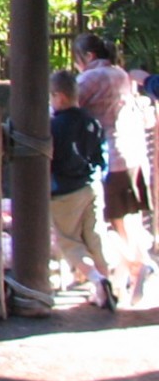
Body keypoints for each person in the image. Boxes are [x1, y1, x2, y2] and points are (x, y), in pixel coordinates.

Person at [72, 32, 156, 301]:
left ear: (88, 56)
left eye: (76, 60)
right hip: (131, 155)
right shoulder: (120, 73)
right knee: (127, 219)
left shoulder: (88, 78)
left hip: (109, 158)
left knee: (109, 223)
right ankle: (128, 274)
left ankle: (135, 264)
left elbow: (66, 108)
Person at [48, 69, 117, 309]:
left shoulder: (54, 126)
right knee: (96, 236)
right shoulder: (91, 121)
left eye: (51, 97)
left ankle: (97, 280)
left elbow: (51, 159)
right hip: (93, 185)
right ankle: (106, 285)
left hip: (66, 191)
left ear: (60, 97)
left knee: (69, 242)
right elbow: (102, 156)